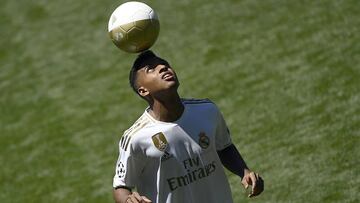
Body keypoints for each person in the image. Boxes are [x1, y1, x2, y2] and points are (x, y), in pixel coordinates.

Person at [113, 50, 264, 203]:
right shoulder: (136, 137)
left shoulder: (207, 110)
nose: (162, 68)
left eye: (164, 64)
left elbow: (224, 146)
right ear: (143, 90)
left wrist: (244, 171)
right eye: (151, 69)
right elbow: (121, 186)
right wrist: (128, 200)